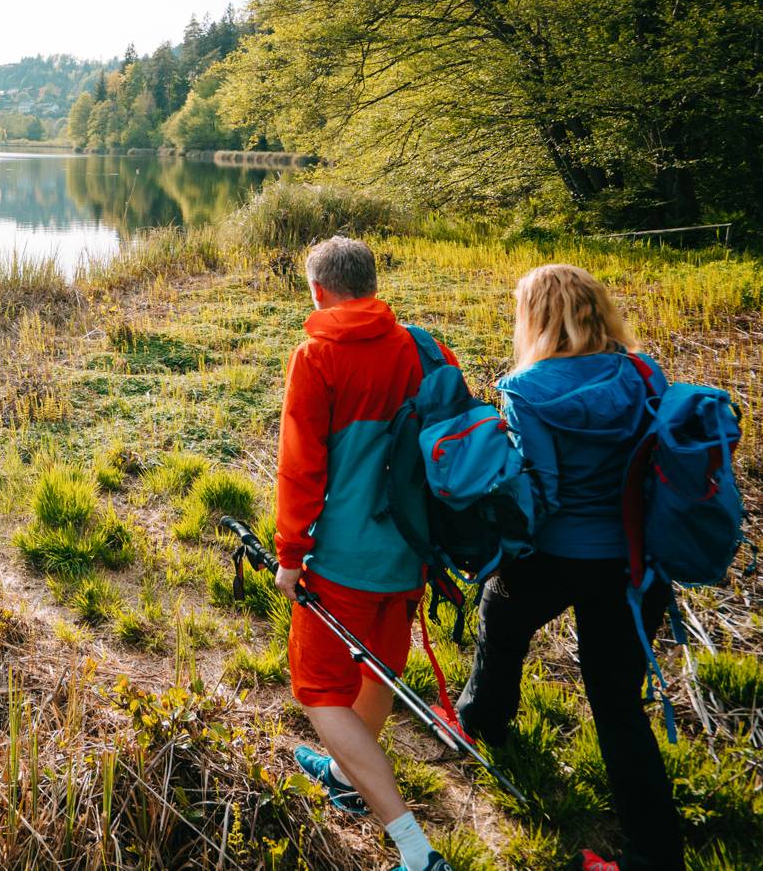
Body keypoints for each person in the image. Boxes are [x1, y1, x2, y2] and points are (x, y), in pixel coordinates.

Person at [455, 264, 684, 871]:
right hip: (636, 562)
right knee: (616, 704)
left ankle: (483, 721)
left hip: (560, 553)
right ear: (596, 309)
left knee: (501, 617)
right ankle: (655, 852)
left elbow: (543, 493)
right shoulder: (645, 373)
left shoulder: (526, 388)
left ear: (536, 318)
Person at [275, 234, 458, 871]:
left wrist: (291, 555)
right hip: (411, 553)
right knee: (378, 671)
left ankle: (413, 847)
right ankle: (348, 780)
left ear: (319, 291)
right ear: (372, 285)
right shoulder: (423, 345)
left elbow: (301, 469)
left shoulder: (317, 354)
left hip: (344, 561)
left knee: (321, 693)